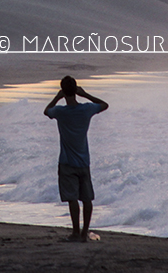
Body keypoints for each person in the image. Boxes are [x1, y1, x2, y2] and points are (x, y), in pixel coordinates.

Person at [44, 75, 108, 242]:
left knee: (72, 198)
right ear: (76, 90)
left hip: (66, 162)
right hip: (84, 161)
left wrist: (57, 97)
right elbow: (104, 105)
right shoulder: (86, 109)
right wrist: (85, 94)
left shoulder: (60, 111)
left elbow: (46, 111)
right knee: (86, 199)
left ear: (64, 92)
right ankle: (84, 233)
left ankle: (75, 232)